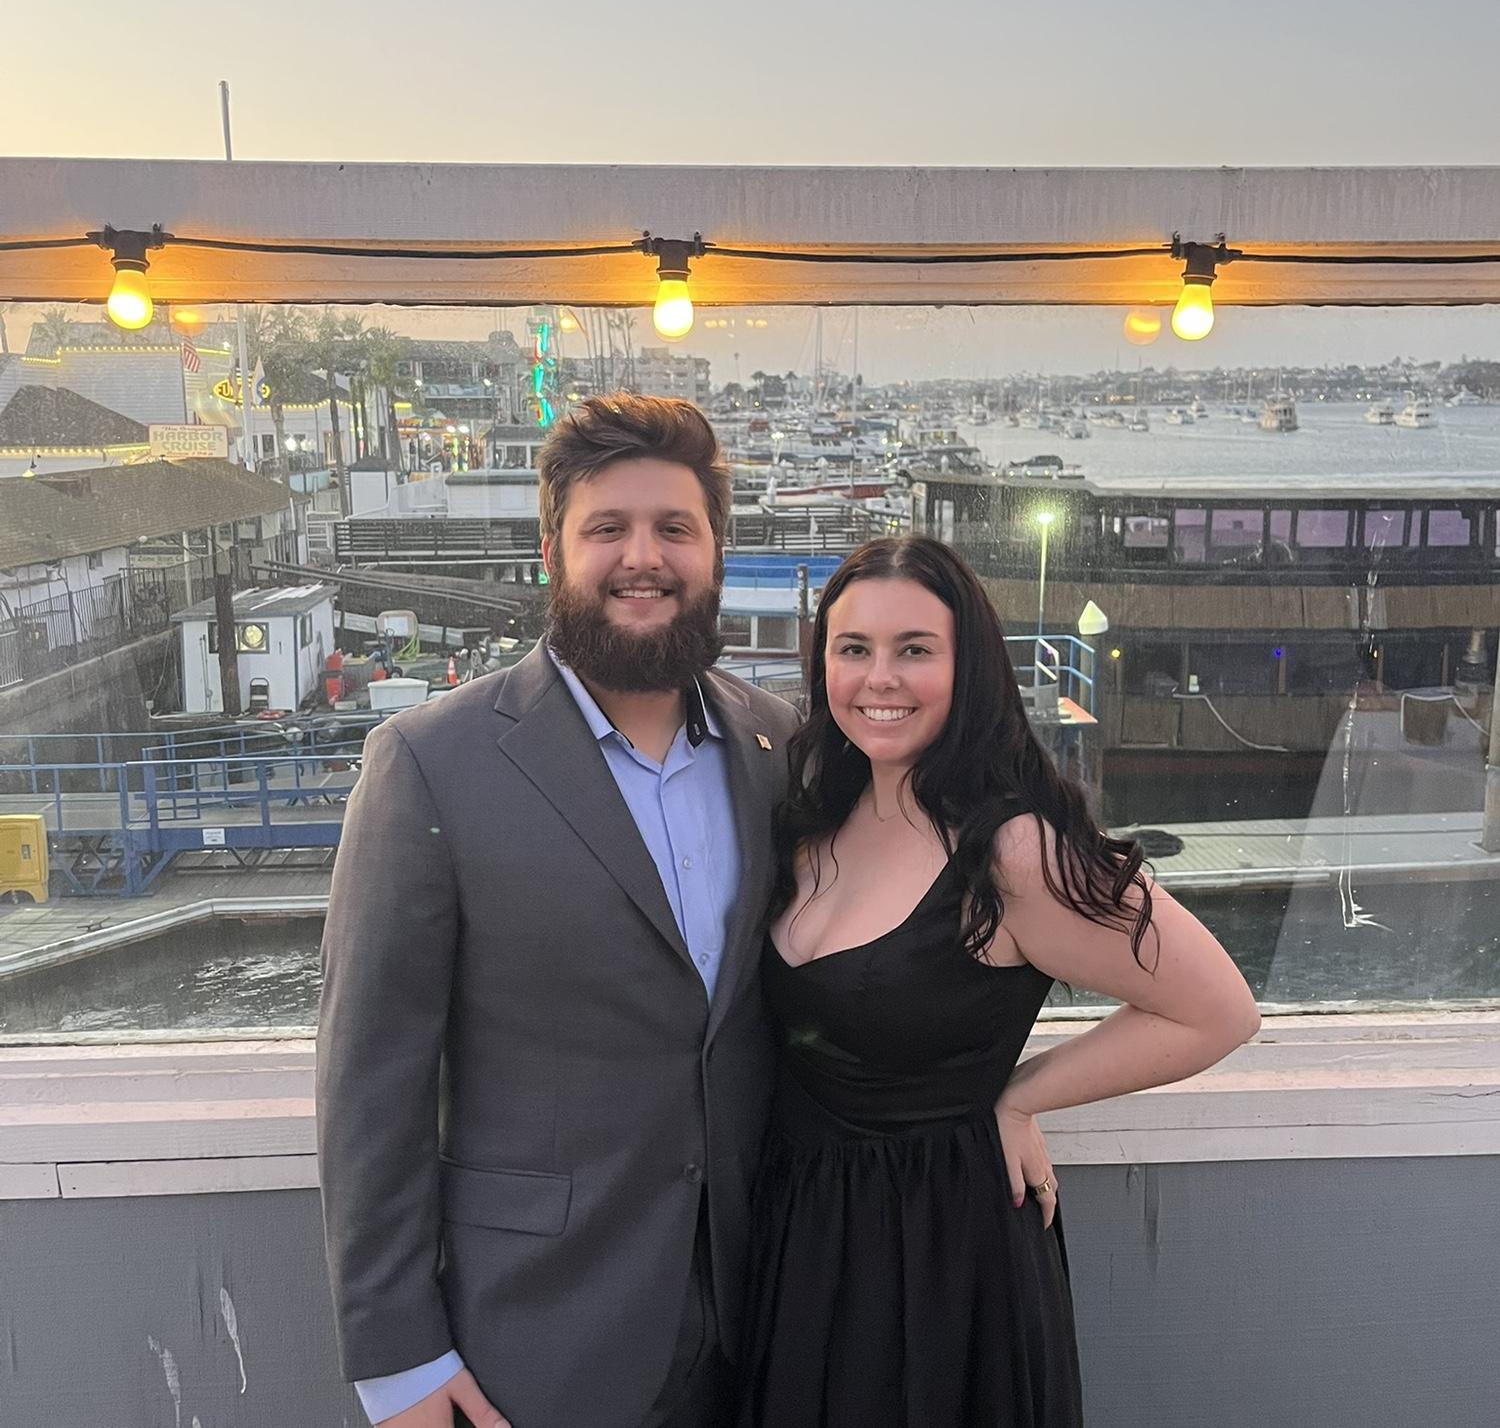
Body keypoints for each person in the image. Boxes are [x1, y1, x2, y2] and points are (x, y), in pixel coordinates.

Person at [317, 395, 800, 1428]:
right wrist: (398, 1358)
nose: (644, 558)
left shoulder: (778, 747)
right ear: (553, 554)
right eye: (607, 528)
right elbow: (371, 1078)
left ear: (715, 552)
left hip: (763, 1321)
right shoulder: (430, 764)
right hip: (536, 1338)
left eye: (675, 528)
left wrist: (995, 1093)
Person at [737, 537, 1261, 1427]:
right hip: (806, 1238)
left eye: (915, 649)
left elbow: (1217, 1010)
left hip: (939, 1260)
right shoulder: (817, 810)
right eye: (853, 648)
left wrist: (1018, 1098)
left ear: (969, 666)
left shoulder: (1014, 849)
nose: (879, 678)